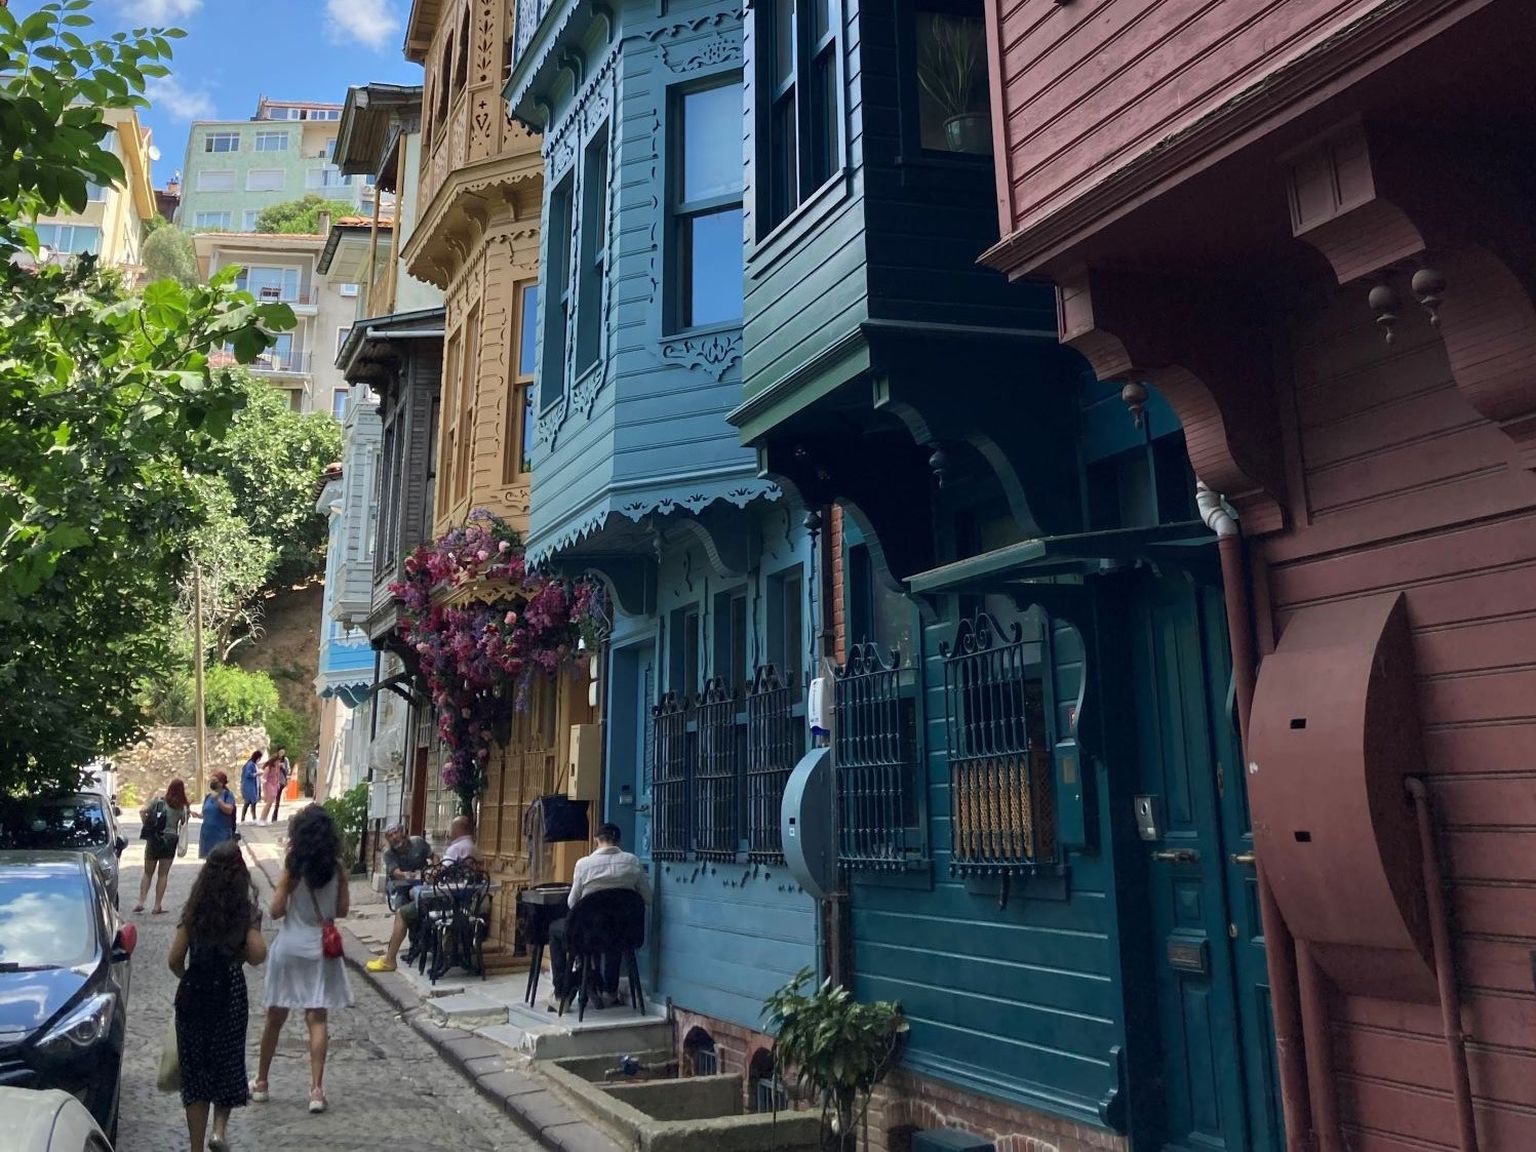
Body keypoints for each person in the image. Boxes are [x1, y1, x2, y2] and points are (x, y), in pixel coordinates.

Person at [252, 805, 352, 1115]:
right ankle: (316, 1090)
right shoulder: (337, 869)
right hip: (320, 949)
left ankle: (262, 1082)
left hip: (290, 947)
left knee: (275, 1017)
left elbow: (276, 911)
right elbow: (342, 910)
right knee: (317, 1019)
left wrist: (284, 891)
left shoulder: (293, 868)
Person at [169, 840, 267, 1152]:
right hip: (230, 992)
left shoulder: (194, 910)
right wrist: (246, 934)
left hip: (195, 992)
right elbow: (258, 955)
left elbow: (174, 959)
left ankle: (196, 1147)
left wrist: (189, 978)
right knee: (227, 1063)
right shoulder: (245, 912)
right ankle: (219, 1132)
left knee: (196, 1073)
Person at [548, 823, 652, 1012]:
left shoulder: (584, 864)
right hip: (623, 934)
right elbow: (648, 898)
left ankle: (561, 993)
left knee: (555, 929)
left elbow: (572, 902)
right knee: (614, 926)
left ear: (596, 839)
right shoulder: (633, 862)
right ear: (618, 840)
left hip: (588, 935)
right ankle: (609, 991)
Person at [366, 814, 478, 973]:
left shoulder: (443, 847)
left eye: (396, 832)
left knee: (403, 913)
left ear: (403, 831)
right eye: (390, 835)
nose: (395, 837)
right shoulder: (473, 847)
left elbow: (439, 867)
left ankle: (391, 959)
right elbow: (396, 872)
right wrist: (416, 875)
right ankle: (416, 943)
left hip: (442, 898)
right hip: (450, 899)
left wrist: (431, 872)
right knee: (403, 903)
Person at [135, 778, 190, 914]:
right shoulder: (182, 806)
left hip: (154, 838)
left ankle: (141, 901)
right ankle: (157, 905)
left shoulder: (158, 801)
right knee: (163, 874)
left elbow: (142, 811)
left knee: (148, 872)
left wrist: (147, 824)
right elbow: (184, 823)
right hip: (170, 840)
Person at [198, 772, 237, 860]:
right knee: (209, 859)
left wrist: (218, 800)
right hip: (207, 835)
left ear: (221, 783)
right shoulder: (208, 796)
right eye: (211, 780)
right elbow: (204, 814)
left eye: (214, 780)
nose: (212, 782)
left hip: (221, 834)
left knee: (221, 859)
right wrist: (197, 815)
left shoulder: (227, 795)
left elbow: (229, 810)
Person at [259, 748, 286, 825]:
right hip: (268, 785)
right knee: (268, 803)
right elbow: (263, 780)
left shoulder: (277, 768)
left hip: (274, 786)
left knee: (270, 804)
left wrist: (277, 784)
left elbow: (277, 776)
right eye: (278, 761)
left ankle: (265, 819)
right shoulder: (268, 768)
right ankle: (261, 819)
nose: (279, 762)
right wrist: (264, 792)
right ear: (274, 761)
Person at [239, 748, 263, 824]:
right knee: (249, 802)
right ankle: (247, 819)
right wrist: (257, 774)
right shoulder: (250, 764)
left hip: (251, 786)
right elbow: (248, 774)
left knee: (251, 802)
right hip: (249, 786)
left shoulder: (252, 764)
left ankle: (250, 818)